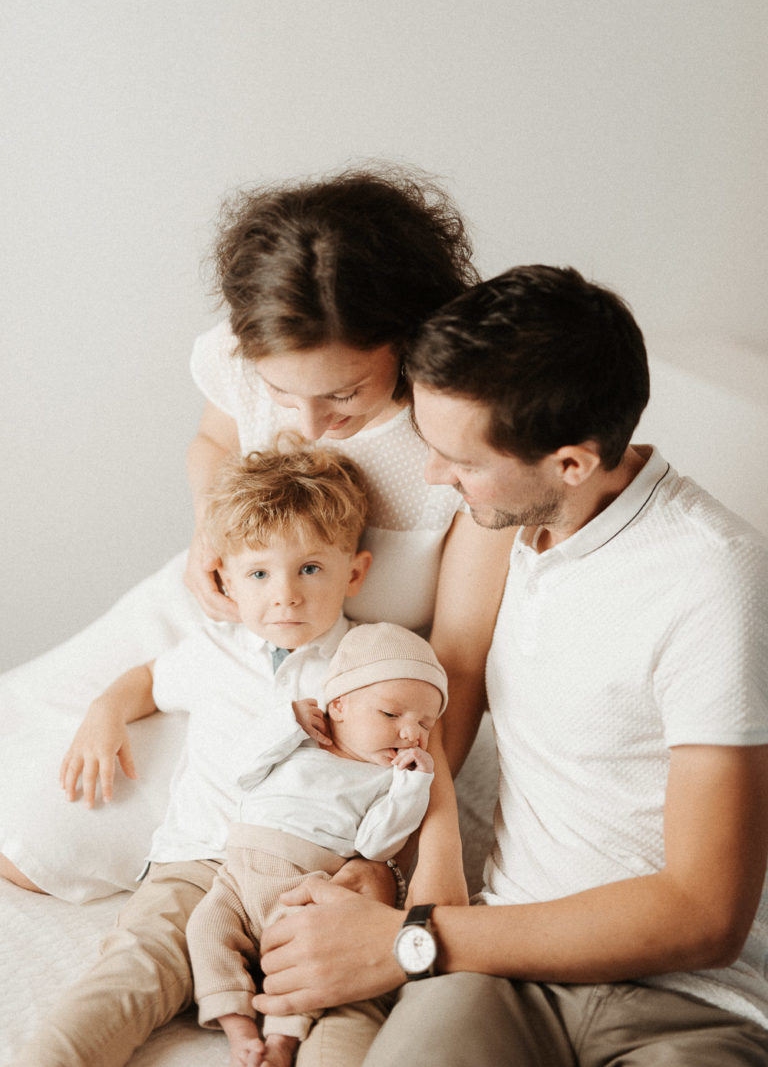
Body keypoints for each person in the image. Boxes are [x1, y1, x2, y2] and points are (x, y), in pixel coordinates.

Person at [251, 265, 768, 1066]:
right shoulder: (503, 521)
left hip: (685, 1003)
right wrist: (381, 860)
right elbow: (450, 678)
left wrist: (411, 941)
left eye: (460, 458)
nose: (433, 476)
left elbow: (704, 913)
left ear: (572, 462)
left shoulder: (713, 575)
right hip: (495, 971)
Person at [0, 165, 511, 909]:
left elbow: (458, 666)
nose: (306, 426)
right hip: (206, 621)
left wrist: (401, 830)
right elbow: (212, 444)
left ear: (409, 342)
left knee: (58, 842)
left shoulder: (462, 434)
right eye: (281, 395)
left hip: (324, 691)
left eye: (343, 395)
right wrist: (212, 525)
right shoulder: (241, 353)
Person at [13, 441, 464, 1067]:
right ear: (224, 578)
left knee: (342, 998)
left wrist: (384, 877)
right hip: (194, 863)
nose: (285, 596)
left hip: (314, 872)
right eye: (259, 574)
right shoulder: (213, 650)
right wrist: (105, 714)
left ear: (354, 573)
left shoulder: (374, 664)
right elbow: (146, 679)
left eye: (310, 569)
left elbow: (416, 775)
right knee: (136, 964)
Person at [187, 621, 451, 1067]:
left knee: (303, 961)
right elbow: (242, 771)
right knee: (205, 929)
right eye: (392, 715)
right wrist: (287, 721)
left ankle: (282, 1041)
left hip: (304, 888)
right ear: (340, 705)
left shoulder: (383, 781)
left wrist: (412, 787)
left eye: (424, 723)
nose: (411, 732)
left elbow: (377, 846)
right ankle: (238, 1029)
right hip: (237, 876)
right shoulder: (298, 742)